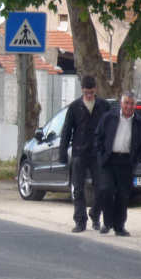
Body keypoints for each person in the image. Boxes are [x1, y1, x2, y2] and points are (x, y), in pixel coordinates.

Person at [59, 75, 110, 232]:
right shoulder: (74, 107)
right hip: (79, 152)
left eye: (91, 92)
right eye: (86, 92)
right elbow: (66, 131)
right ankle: (80, 221)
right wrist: (62, 153)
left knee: (102, 188)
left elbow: (110, 129)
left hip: (97, 153)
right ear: (82, 90)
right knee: (78, 189)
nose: (89, 95)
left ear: (95, 90)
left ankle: (95, 214)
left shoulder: (104, 106)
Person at [94, 91, 141, 236]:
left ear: (135, 105)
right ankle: (107, 222)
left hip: (127, 162)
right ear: (121, 103)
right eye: (126, 103)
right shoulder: (109, 117)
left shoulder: (140, 123)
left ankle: (119, 226)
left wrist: (137, 158)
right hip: (109, 160)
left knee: (123, 195)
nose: (129, 106)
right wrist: (101, 155)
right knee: (106, 190)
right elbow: (98, 137)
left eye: (131, 104)